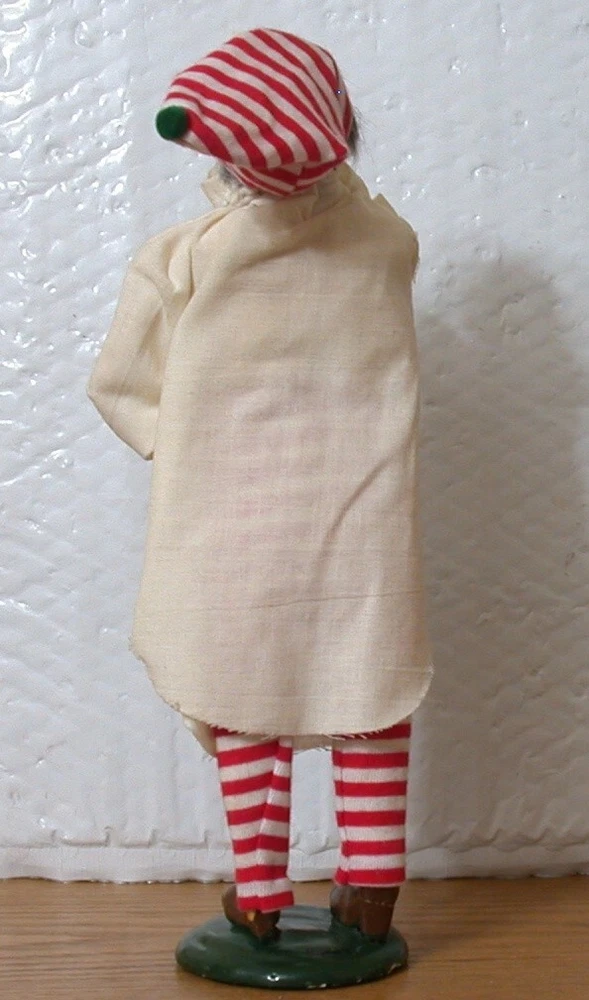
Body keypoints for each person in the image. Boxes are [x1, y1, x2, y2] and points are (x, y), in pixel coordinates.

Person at [88, 27, 433, 943]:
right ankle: (372, 888)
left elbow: (117, 383)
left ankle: (260, 893)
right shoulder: (387, 242)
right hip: (361, 516)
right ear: (341, 128)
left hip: (229, 518)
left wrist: (182, 449)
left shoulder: (187, 255)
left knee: (239, 686)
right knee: (367, 685)